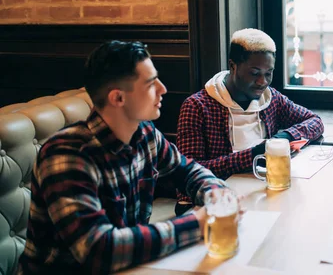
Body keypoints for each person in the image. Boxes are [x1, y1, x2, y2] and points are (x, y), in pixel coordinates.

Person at [19, 41, 230, 274]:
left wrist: (216, 195)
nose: (163, 89)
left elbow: (188, 170)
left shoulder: (145, 134)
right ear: (118, 98)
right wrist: (197, 224)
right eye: (151, 84)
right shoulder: (66, 156)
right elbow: (99, 250)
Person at [175, 28, 324, 214]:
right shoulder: (198, 106)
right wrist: (253, 155)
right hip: (215, 200)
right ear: (233, 65)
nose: (263, 81)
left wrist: (285, 136)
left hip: (261, 190)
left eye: (268, 73)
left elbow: (315, 121)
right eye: (254, 73)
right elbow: (189, 173)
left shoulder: (270, 99)